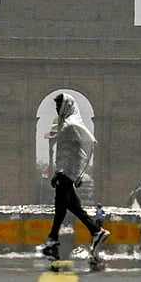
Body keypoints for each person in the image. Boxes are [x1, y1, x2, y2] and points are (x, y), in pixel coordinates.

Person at [42, 93, 110, 261]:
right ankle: (96, 231)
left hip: (65, 174)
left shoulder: (71, 125)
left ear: (67, 106)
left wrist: (74, 173)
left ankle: (52, 242)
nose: (57, 109)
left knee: (60, 208)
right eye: (56, 106)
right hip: (64, 172)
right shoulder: (66, 123)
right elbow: (68, 150)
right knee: (73, 207)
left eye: (59, 106)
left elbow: (87, 144)